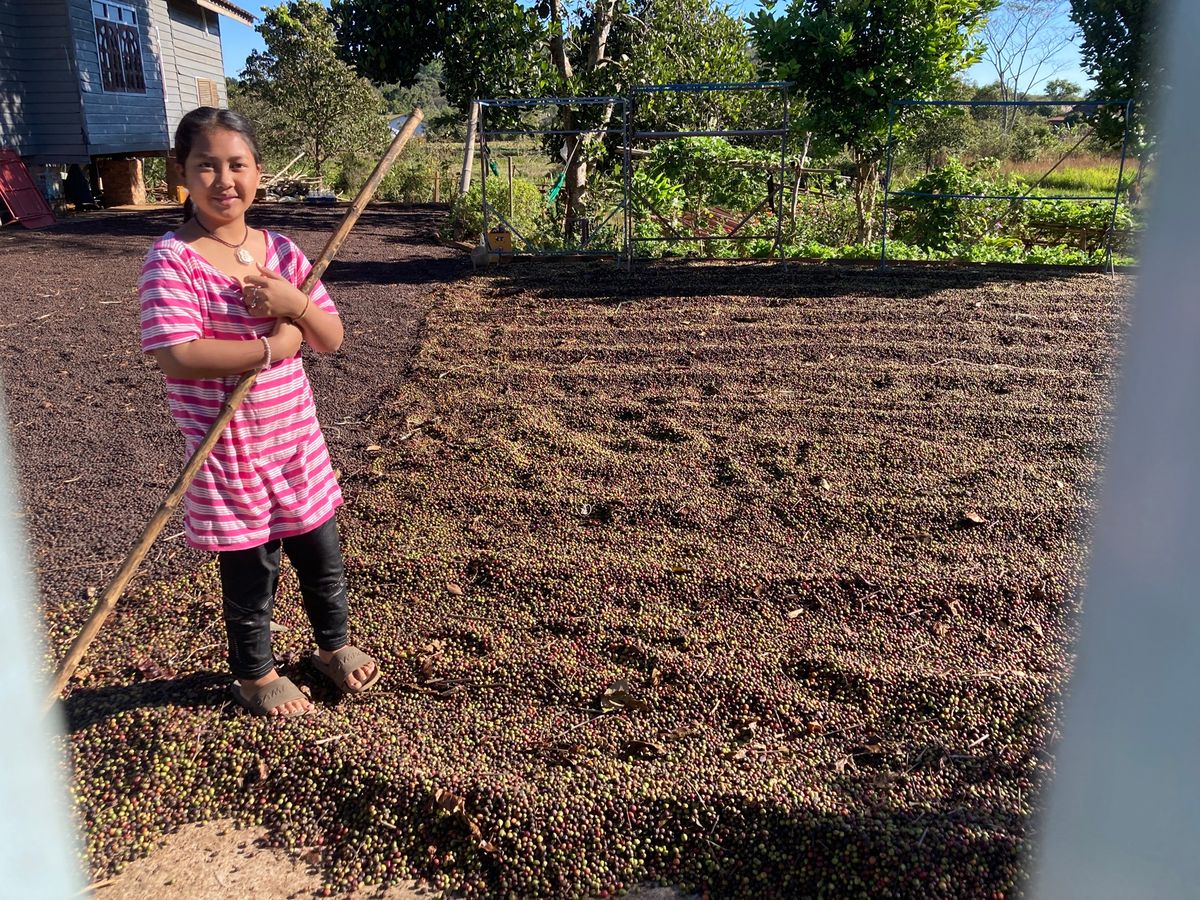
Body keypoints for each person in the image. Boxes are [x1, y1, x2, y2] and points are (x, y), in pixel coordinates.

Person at [138, 107, 379, 717]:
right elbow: (179, 355)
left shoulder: (281, 252)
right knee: (251, 573)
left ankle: (332, 647)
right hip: (229, 448)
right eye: (207, 166)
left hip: (295, 439)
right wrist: (271, 345)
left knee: (322, 555)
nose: (225, 180)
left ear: (258, 173)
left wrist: (294, 302)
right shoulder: (172, 260)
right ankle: (254, 673)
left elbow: (330, 337)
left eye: (237, 165)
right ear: (181, 175)